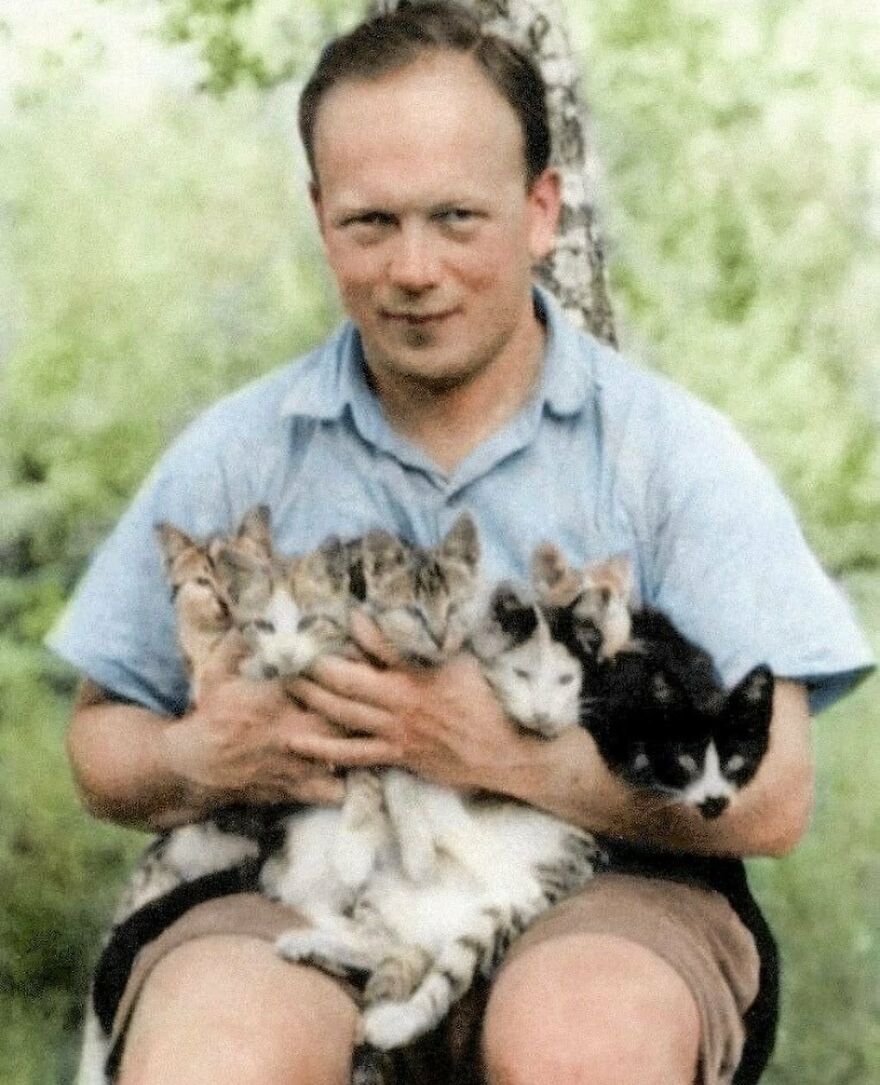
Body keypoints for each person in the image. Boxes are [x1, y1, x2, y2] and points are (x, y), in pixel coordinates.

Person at [50, 4, 872, 1084]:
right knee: (218, 1052)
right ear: (319, 216)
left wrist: (499, 751)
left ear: (540, 212)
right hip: (293, 876)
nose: (414, 267)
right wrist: (195, 757)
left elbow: (776, 796)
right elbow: (102, 742)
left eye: (456, 217)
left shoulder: (668, 452)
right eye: (370, 222)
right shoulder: (242, 450)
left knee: (582, 1043)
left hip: (609, 888)